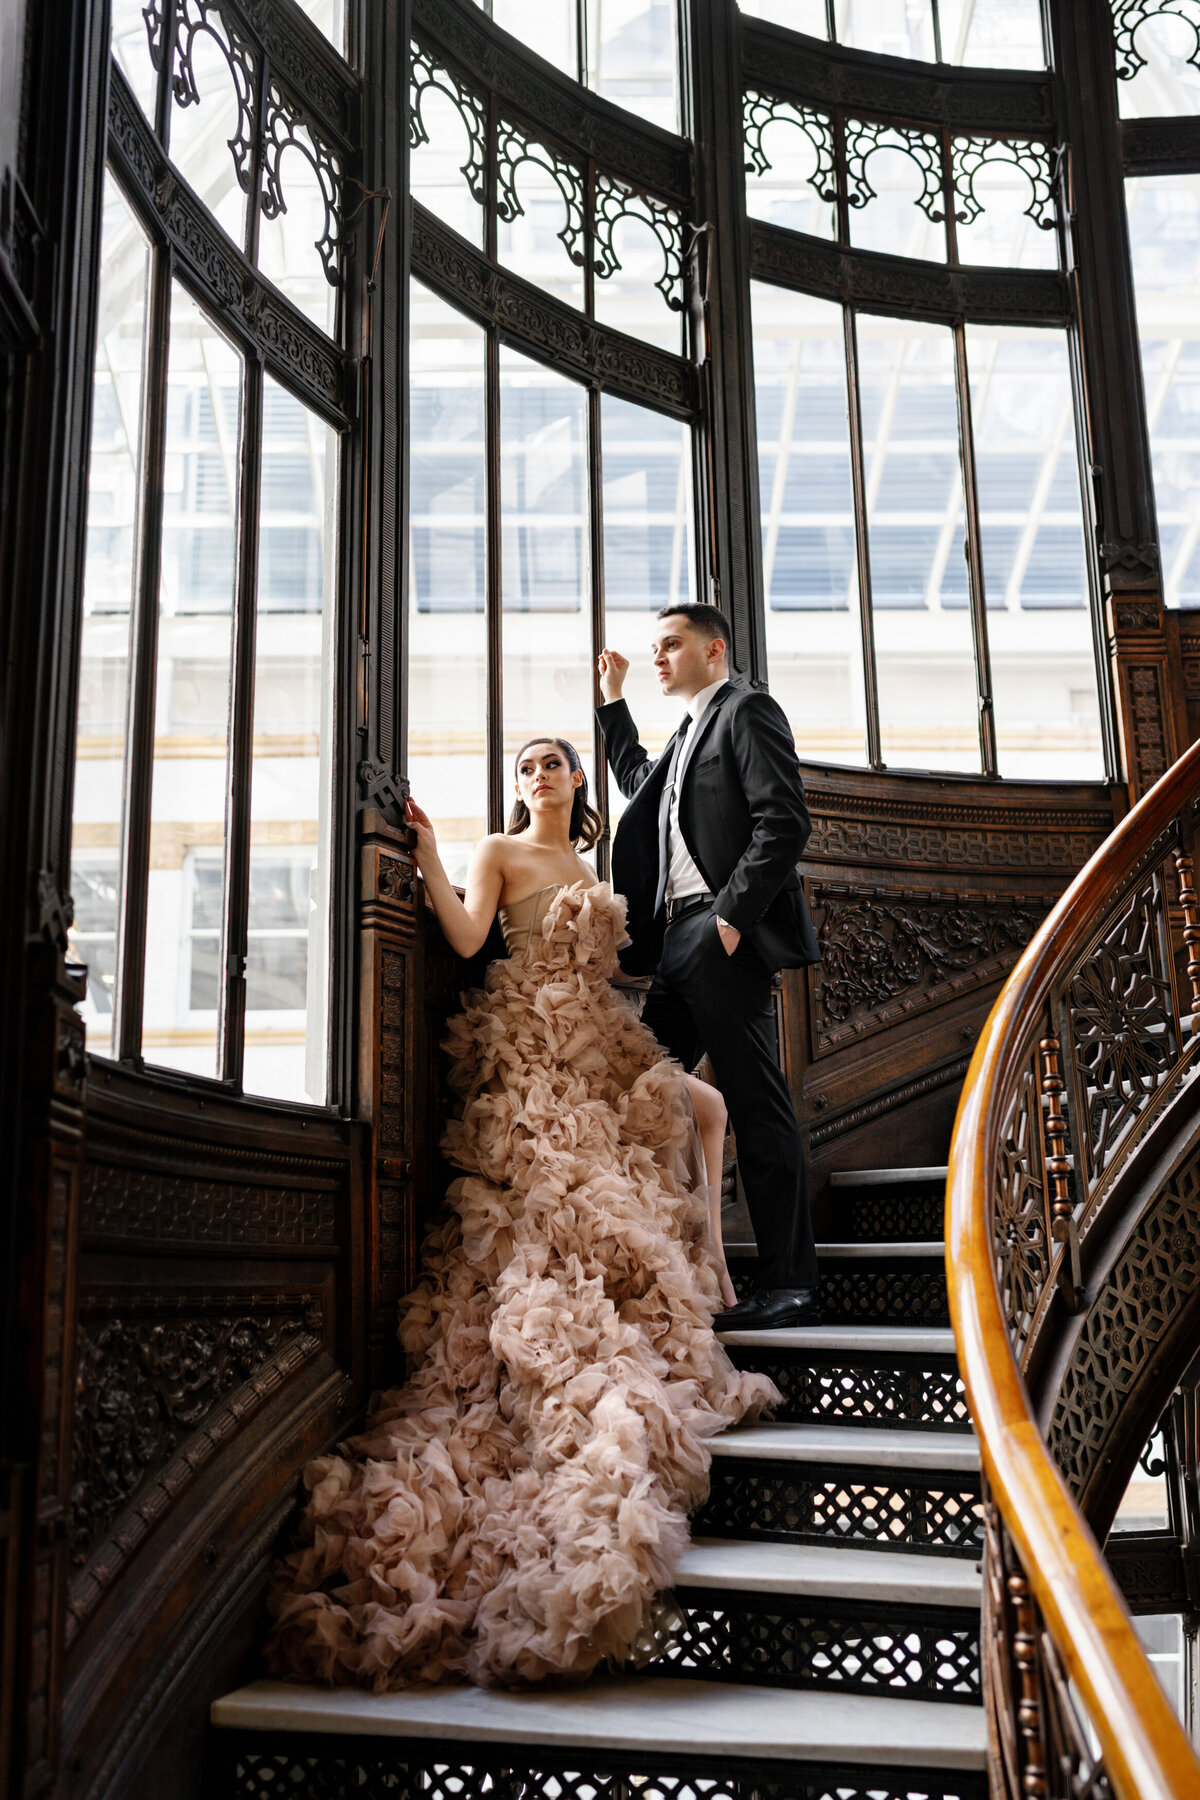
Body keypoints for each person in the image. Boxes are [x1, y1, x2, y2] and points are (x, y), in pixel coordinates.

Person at [265, 736, 776, 1693]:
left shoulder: (590, 859)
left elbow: (610, 973)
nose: (536, 776)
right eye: (523, 767)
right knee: (577, 1206)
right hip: (533, 1047)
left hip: (597, 1036)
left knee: (706, 1107)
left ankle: (715, 1259)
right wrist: (424, 851)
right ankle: (703, 1273)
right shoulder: (502, 854)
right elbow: (465, 938)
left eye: (550, 763)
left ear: (578, 779)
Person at [597, 603, 821, 1333]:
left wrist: (729, 921)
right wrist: (612, 704)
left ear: (714, 649)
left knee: (757, 1104)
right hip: (674, 942)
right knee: (631, 1087)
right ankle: (650, 1270)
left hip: (719, 932)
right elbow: (638, 782)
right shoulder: (689, 732)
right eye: (654, 648)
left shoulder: (747, 712)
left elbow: (784, 821)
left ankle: (790, 1283)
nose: (658, 657)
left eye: (671, 645)